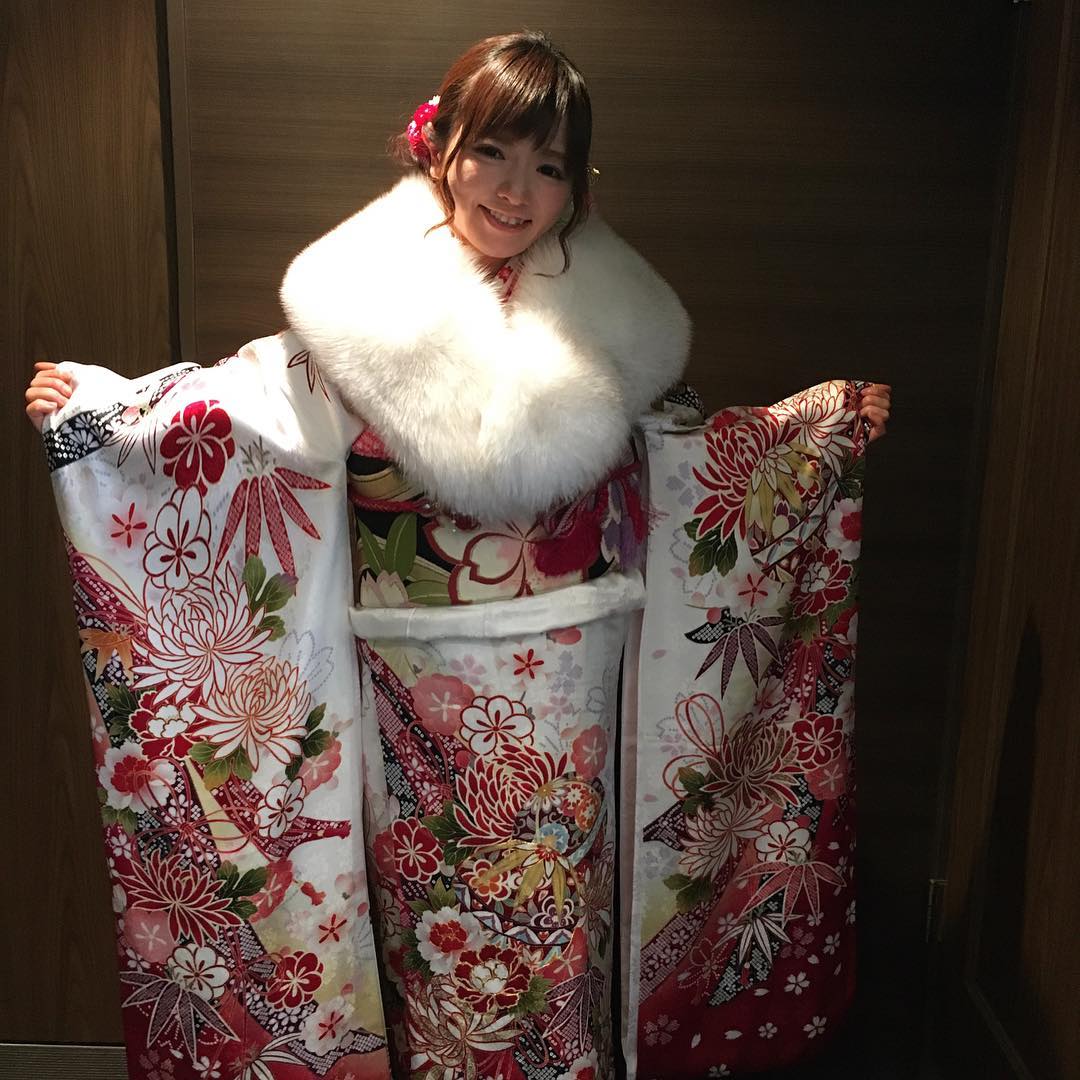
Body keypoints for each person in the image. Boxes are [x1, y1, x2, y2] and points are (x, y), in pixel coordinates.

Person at [25, 30, 891, 1079]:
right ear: (438, 147)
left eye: (549, 166)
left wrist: (812, 433)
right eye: (492, 152)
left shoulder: (611, 318)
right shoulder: (365, 306)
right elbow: (246, 413)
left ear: (578, 185)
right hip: (416, 680)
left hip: (578, 678)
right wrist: (106, 410)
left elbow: (681, 458)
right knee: (441, 910)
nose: (516, 190)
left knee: (563, 901)